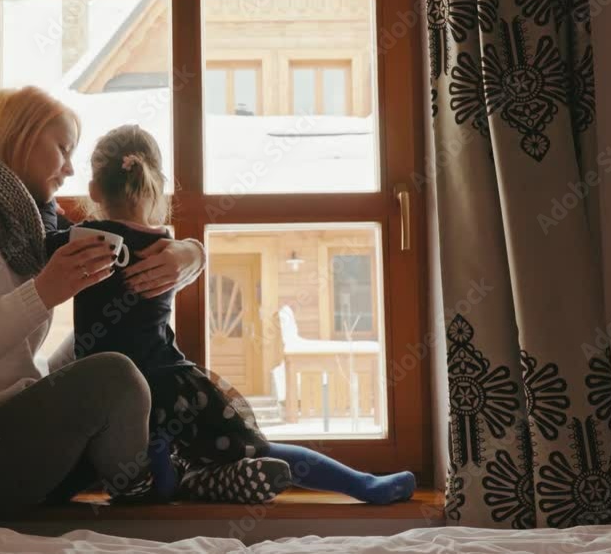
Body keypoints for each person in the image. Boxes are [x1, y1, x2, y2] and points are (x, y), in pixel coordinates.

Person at [46, 124, 417, 506]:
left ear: (93, 190)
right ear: (154, 185)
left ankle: (171, 470)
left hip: (121, 396)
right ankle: (362, 484)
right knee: (260, 448)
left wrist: (50, 214)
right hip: (175, 388)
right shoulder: (163, 244)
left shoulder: (84, 240)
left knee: (141, 477)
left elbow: (40, 246)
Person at [0, 86, 207, 523]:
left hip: (16, 445)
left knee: (131, 355)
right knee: (114, 374)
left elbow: (21, 361)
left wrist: (190, 254)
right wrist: (44, 293)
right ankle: (156, 483)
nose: (68, 169)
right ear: (20, 135)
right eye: (63, 148)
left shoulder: (26, 230)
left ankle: (174, 471)